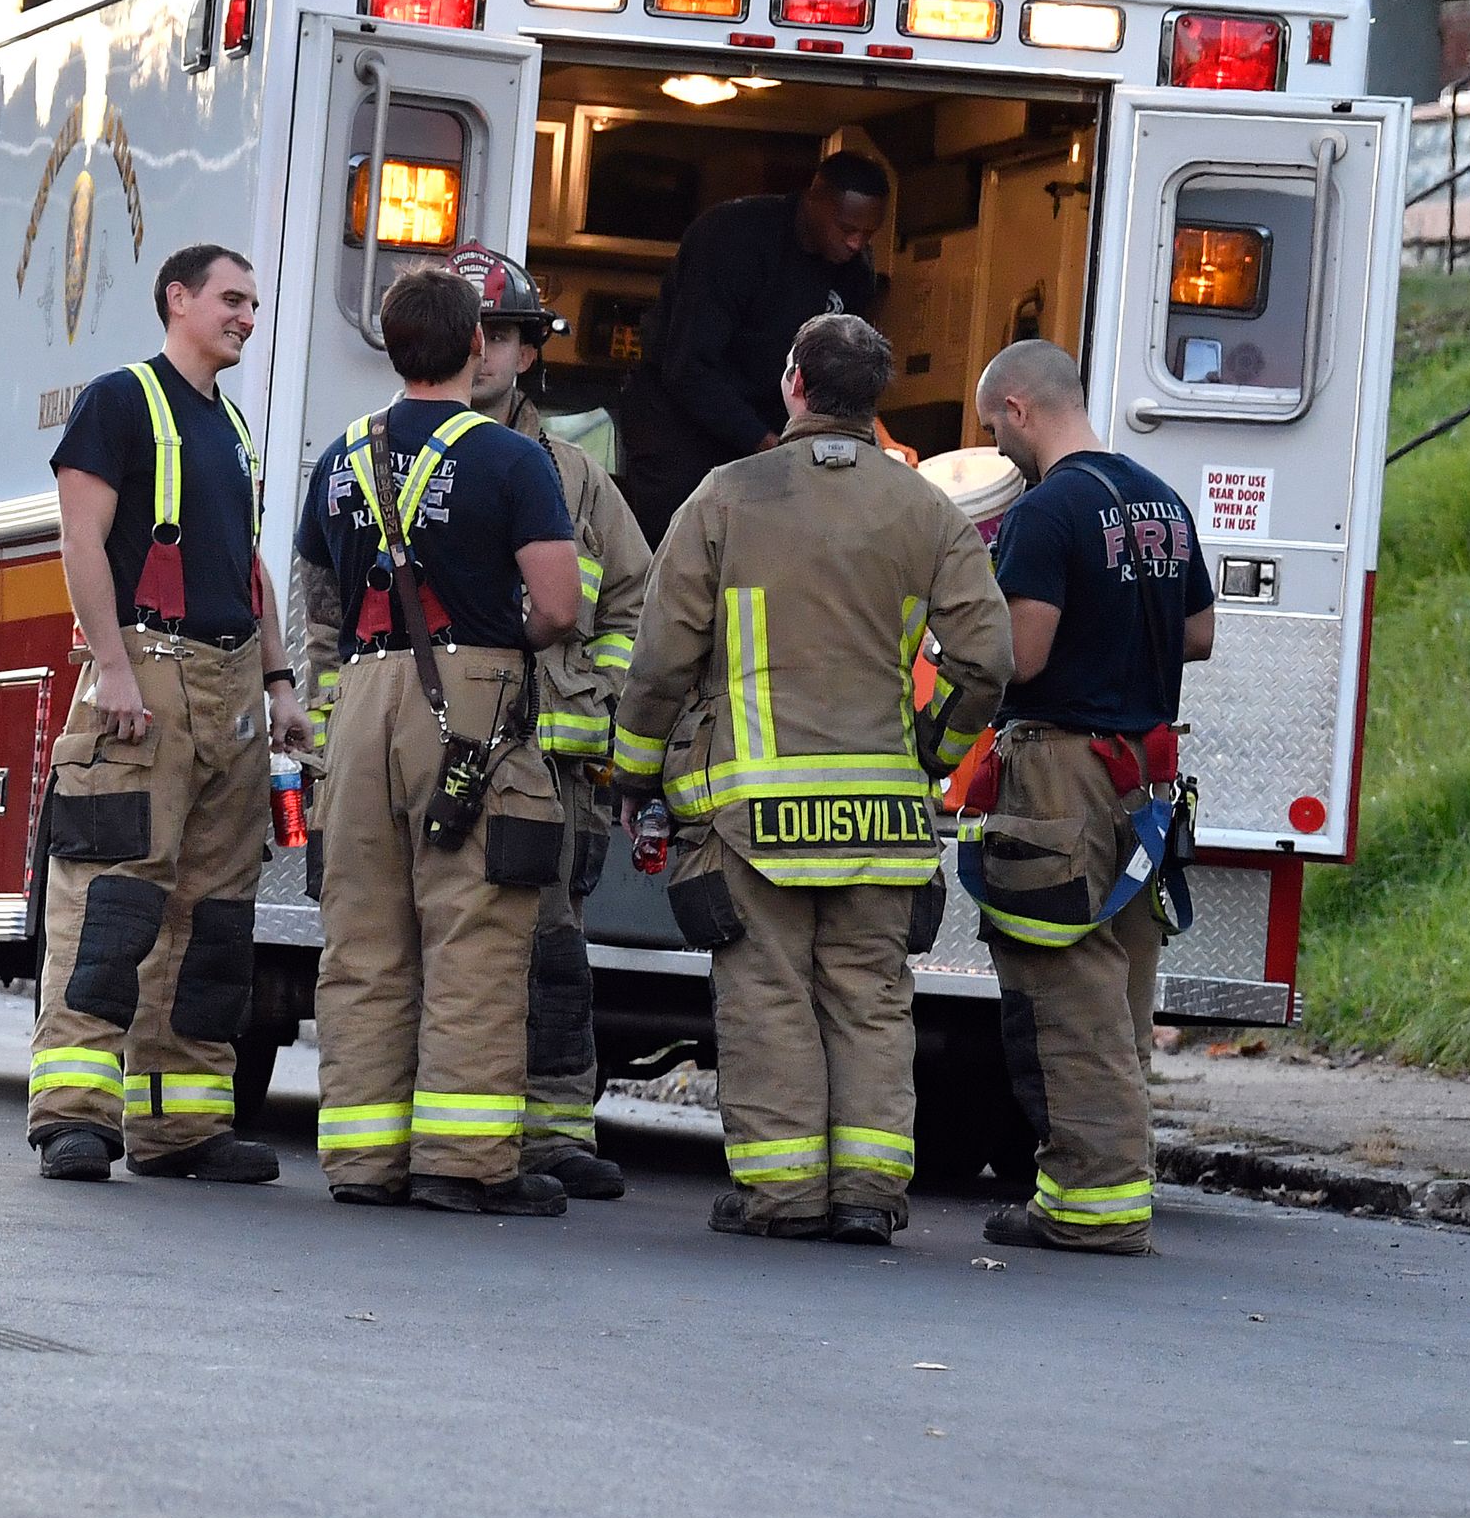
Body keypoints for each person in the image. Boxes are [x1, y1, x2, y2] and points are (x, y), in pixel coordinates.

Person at [610, 313, 1011, 1245]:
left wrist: (635, 772)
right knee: (871, 998)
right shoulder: (926, 511)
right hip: (880, 815)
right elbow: (986, 658)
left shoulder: (723, 498)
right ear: (877, 397)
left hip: (755, 817)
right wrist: (932, 752)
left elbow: (663, 658)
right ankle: (870, 1194)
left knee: (768, 995)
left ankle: (783, 1195)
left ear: (793, 382)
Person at [293, 262, 586, 1215]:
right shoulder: (512, 459)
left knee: (364, 937)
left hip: (362, 697)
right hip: (470, 699)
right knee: (474, 930)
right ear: (474, 347)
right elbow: (558, 605)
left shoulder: (340, 455)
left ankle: (362, 1161)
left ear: (390, 344)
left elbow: (318, 599)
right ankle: (459, 1163)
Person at [24, 243, 308, 1183]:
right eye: (231, 299)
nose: (247, 317)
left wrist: (277, 683)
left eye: (255, 305)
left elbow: (248, 572)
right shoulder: (120, 401)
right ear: (176, 299)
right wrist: (111, 666)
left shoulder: (228, 424)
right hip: (145, 671)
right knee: (112, 904)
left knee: (213, 919)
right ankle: (74, 1116)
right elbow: (82, 540)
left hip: (228, 687)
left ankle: (181, 1126)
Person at [964, 340, 1212, 1256]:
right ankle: (1111, 1184)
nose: (997, 449)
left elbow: (1022, 657)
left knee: (1064, 989)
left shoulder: (1046, 513)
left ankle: (1088, 1205)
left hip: (1061, 773)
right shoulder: (1161, 501)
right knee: (1122, 988)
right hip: (1143, 780)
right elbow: (1199, 633)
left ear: (1021, 407)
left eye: (996, 428)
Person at [455, 246, 649, 1199]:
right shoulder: (384, 453)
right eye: (468, 331)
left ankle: (555, 1130)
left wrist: (597, 704)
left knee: (554, 958)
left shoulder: (576, 480)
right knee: (443, 948)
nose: (483, 351)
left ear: (528, 352)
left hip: (553, 763)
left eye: (500, 335)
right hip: (436, 755)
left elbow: (636, 606)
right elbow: (327, 606)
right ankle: (449, 1128)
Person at [613, 153, 892, 542]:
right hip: (679, 422)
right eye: (846, 228)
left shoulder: (854, 271)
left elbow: (845, 373)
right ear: (814, 199)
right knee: (680, 544)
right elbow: (687, 366)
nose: (855, 242)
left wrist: (878, 437)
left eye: (867, 234)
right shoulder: (732, 239)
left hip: (777, 424)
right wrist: (767, 443)